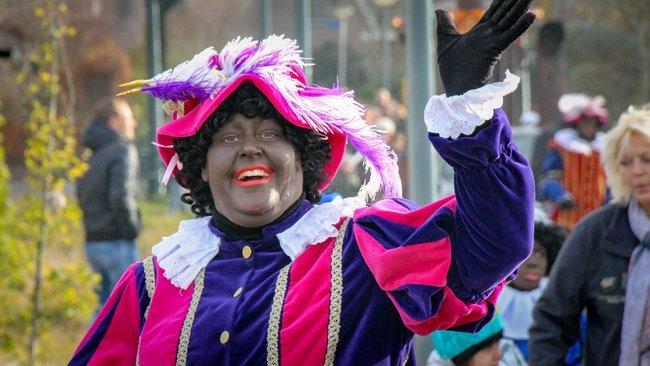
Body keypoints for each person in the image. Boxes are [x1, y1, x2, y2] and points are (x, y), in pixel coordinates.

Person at [70, 1, 537, 364]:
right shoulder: (151, 283)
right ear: (201, 167)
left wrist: (469, 108)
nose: (250, 148)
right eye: (228, 137)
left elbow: (494, 246)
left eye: (271, 133)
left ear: (303, 157)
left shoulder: (367, 246)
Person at [529, 105, 650, 365]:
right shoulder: (596, 233)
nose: (637, 171)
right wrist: (561, 195)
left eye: (646, 159)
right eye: (627, 162)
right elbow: (552, 320)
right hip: (570, 220)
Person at [76, 97, 141, 308]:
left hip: (93, 243)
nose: (134, 123)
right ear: (113, 122)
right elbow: (120, 197)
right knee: (131, 313)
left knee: (102, 318)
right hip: (117, 243)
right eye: (128, 118)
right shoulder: (122, 150)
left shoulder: (89, 152)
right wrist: (132, 231)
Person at [496, 206, 564, 359]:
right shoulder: (482, 308)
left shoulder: (562, 305)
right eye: (526, 253)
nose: (533, 262)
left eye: (540, 253)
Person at [537, 94, 609, 230]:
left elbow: (612, 182)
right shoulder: (562, 146)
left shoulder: (605, 148)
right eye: (584, 121)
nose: (588, 125)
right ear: (577, 123)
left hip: (599, 219)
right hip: (567, 220)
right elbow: (548, 179)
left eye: (591, 122)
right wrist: (560, 196)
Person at [427, 315, 526, 366]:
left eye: (497, 343)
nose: (498, 354)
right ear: (462, 356)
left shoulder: (509, 359)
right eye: (487, 347)